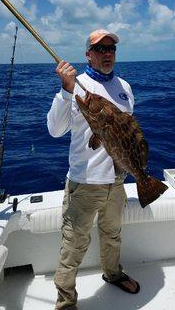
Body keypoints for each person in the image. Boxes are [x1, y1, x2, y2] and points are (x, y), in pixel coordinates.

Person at [47, 29, 140, 310]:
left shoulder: (124, 86)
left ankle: (112, 274)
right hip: (85, 182)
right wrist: (66, 90)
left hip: (117, 179)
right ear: (88, 54)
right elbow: (54, 130)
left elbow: (127, 133)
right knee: (74, 243)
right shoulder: (75, 86)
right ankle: (65, 301)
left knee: (112, 234)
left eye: (111, 49)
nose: (107, 54)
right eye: (100, 49)